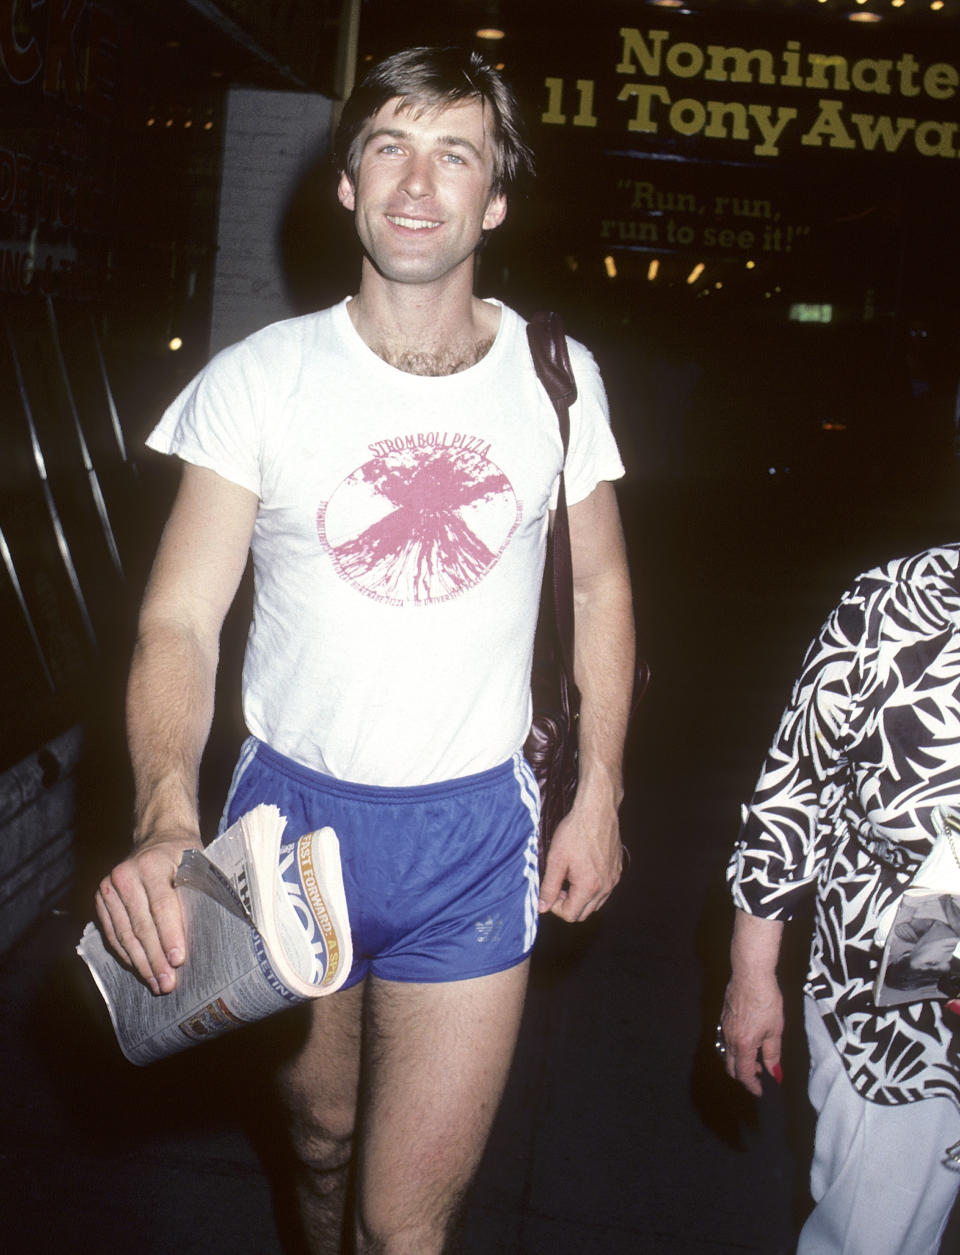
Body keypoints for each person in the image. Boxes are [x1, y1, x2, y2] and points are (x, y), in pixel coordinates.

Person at [94, 45, 635, 1255]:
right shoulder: (262, 381)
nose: (417, 182)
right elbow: (179, 618)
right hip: (289, 827)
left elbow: (599, 587)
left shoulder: (558, 381)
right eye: (390, 144)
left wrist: (598, 790)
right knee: (322, 1147)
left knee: (403, 1222)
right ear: (346, 182)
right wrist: (165, 811)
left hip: (474, 836)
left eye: (457, 154)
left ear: (495, 200)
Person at [720, 544, 960, 1255]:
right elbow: (795, 784)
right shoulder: (897, 598)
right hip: (909, 942)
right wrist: (752, 970)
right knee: (878, 1224)